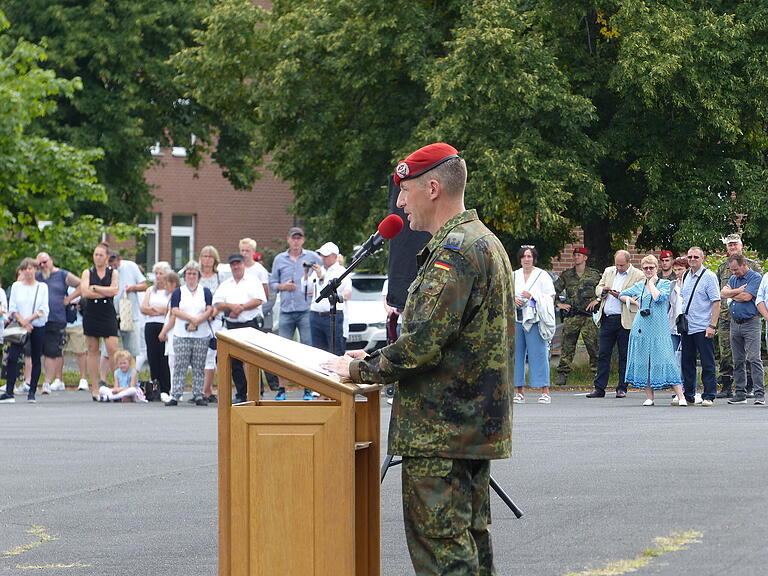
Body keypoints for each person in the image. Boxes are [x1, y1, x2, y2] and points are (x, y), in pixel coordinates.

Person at [322, 143, 514, 575]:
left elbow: (423, 344)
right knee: (470, 549)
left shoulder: (454, 253)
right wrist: (372, 356)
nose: (400, 203)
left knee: (445, 559)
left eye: (404, 191)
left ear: (432, 188)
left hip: (440, 433)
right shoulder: (480, 242)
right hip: (465, 429)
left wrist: (357, 368)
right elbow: (443, 337)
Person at [618, 255, 684, 406]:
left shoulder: (665, 284)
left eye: (651, 268)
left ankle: (680, 396)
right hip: (641, 327)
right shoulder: (639, 285)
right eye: (645, 268)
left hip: (659, 329)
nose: (648, 270)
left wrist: (652, 283)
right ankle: (649, 396)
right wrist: (635, 302)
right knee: (644, 361)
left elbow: (658, 298)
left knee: (667, 360)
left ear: (656, 268)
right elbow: (622, 294)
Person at [269, 226, 321, 400]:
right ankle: (282, 389)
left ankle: (308, 388)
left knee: (307, 349)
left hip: (306, 309)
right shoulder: (279, 259)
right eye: (293, 238)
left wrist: (317, 289)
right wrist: (283, 286)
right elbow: (272, 283)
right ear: (288, 240)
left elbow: (323, 277)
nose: (296, 241)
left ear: (303, 240)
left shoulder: (312, 257)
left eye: (299, 238)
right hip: (286, 310)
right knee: (282, 350)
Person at [587, 250, 645, 398]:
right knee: (603, 354)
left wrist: (621, 295)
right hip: (607, 318)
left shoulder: (638, 275)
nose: (618, 268)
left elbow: (640, 296)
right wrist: (603, 291)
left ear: (628, 262)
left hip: (625, 319)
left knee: (624, 355)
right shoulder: (609, 271)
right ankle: (599, 387)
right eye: (616, 264)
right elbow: (598, 287)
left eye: (622, 265)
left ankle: (622, 387)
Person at [212, 253, 265, 403]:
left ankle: (257, 391)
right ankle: (241, 392)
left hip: (250, 324)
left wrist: (241, 308)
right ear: (230, 266)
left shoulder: (253, 281)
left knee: (252, 359)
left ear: (243, 264)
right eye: (233, 264)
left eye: (238, 263)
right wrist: (232, 307)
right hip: (232, 325)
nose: (236, 267)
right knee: (235, 361)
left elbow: (259, 300)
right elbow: (218, 303)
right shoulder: (226, 284)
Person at [715, 233, 762, 398]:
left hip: (748, 316)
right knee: (726, 352)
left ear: (741, 245)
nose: (732, 247)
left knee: (749, 355)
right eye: (729, 245)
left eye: (735, 244)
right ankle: (726, 386)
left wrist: (730, 294)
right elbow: (719, 292)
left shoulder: (753, 267)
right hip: (726, 316)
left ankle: (748, 387)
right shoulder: (722, 267)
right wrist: (737, 292)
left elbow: (752, 294)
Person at [0, 258, 49, 404]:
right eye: (25, 269)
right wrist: (22, 321)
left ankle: (32, 391)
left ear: (36, 270)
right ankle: (9, 391)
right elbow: (13, 307)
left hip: (37, 325)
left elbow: (43, 309)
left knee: (35, 357)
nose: (28, 272)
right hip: (20, 326)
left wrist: (29, 320)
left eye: (31, 268)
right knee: (13, 357)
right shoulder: (16, 286)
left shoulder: (42, 287)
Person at [165, 261, 213, 406]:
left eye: (194, 273)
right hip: (182, 333)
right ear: (185, 276)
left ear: (198, 276)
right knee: (180, 365)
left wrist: (198, 320)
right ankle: (176, 394)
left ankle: (198, 394)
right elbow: (174, 309)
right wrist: (192, 319)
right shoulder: (179, 292)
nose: (191, 276)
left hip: (201, 333)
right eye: (189, 273)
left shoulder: (205, 291)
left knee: (199, 365)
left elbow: (209, 309)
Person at [513, 245, 556, 404]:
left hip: (535, 319)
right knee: (517, 355)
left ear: (534, 258)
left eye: (529, 256)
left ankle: (544, 391)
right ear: (520, 259)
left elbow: (550, 297)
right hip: (517, 318)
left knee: (539, 354)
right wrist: (513, 299)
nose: (526, 259)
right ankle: (519, 391)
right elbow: (505, 293)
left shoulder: (542, 275)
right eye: (524, 256)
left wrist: (533, 296)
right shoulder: (514, 275)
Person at [553, 247, 601, 387]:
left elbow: (604, 290)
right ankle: (562, 374)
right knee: (567, 347)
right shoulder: (567, 275)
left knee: (593, 346)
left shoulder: (594, 275)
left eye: (579, 255)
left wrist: (597, 300)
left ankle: (597, 374)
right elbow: (553, 291)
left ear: (585, 258)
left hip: (589, 316)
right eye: (575, 255)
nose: (576, 257)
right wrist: (558, 304)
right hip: (572, 316)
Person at [680, 246, 721, 406]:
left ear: (702, 258)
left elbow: (716, 302)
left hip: (703, 326)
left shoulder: (709, 277)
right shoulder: (685, 275)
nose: (692, 260)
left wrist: (712, 325)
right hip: (687, 326)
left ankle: (709, 395)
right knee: (687, 362)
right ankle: (689, 394)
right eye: (690, 257)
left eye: (696, 257)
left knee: (707, 362)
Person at [36, 252, 82, 394]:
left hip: (57, 318)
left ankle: (48, 382)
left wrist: (69, 299)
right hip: (38, 319)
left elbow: (81, 284)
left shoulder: (62, 275)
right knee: (33, 351)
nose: (43, 265)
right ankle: (30, 381)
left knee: (52, 351)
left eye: (45, 262)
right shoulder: (37, 276)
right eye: (40, 263)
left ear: (51, 260)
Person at [81, 243, 120, 401]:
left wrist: (96, 288)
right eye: (95, 254)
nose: (97, 257)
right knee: (92, 349)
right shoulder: (87, 272)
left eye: (101, 255)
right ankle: (95, 387)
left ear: (106, 257)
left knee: (112, 348)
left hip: (107, 313)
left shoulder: (113, 272)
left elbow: (114, 290)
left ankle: (116, 385)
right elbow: (85, 292)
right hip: (92, 313)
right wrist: (104, 292)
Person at [303, 241, 352, 356]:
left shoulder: (341, 272)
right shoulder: (318, 270)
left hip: (332, 315)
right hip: (315, 314)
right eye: (322, 255)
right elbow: (306, 289)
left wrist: (322, 278)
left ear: (335, 256)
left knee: (335, 351)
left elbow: (342, 293)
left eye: (326, 255)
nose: (323, 258)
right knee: (318, 352)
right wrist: (306, 274)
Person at [104, 250, 147, 376]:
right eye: (110, 265)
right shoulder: (105, 270)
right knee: (107, 351)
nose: (113, 267)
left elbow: (144, 285)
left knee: (132, 350)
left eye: (115, 264)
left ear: (119, 260)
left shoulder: (131, 267)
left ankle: (132, 377)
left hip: (130, 315)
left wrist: (132, 288)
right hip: (111, 315)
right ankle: (107, 378)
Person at [140, 261, 173, 400]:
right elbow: (144, 308)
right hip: (150, 325)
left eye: (161, 273)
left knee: (163, 357)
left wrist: (155, 310)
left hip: (163, 326)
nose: (158, 276)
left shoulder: (170, 291)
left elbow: (169, 309)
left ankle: (166, 387)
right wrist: (156, 310)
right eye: (157, 273)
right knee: (152, 357)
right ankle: (155, 386)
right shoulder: (150, 290)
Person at [199, 246, 225, 403]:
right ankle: (202, 389)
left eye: (210, 256)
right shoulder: (196, 276)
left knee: (213, 354)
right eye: (204, 256)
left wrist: (213, 312)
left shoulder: (220, 277)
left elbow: (223, 298)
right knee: (200, 356)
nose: (207, 259)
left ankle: (209, 389)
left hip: (215, 320)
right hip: (199, 319)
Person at [158, 271, 181, 403]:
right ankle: (175, 389)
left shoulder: (176, 296)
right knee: (172, 362)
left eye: (166, 283)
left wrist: (163, 331)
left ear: (173, 284)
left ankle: (174, 391)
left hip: (173, 333)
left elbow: (173, 317)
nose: (165, 286)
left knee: (173, 363)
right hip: (171, 332)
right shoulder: (173, 296)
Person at [63, 286, 90, 392]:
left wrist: (80, 304)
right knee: (57, 352)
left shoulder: (79, 287)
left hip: (77, 323)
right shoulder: (58, 286)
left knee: (81, 351)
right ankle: (58, 379)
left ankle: (83, 379)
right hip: (61, 321)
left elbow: (85, 300)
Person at [668, 257, 690, 377]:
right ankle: (678, 387)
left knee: (687, 357)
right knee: (674, 356)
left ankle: (688, 387)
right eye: (675, 270)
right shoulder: (672, 285)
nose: (678, 272)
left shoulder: (691, 284)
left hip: (687, 324)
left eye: (680, 269)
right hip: (673, 324)